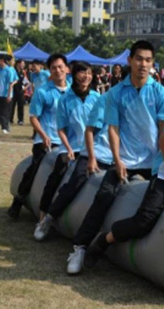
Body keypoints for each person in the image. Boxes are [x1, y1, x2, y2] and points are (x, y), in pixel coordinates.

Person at [66, 40, 164, 275]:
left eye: (148, 60)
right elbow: (113, 129)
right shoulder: (115, 93)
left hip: (153, 162)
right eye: (139, 59)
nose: (143, 64)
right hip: (125, 158)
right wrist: (117, 160)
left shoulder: (161, 94)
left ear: (152, 63)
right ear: (129, 61)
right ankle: (80, 247)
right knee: (104, 196)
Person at [34, 91, 114, 241]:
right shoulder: (104, 100)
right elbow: (89, 131)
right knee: (74, 180)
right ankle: (48, 218)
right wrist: (90, 157)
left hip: (122, 158)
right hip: (96, 151)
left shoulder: (145, 104)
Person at [34, 61, 99, 238]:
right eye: (82, 73)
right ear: (74, 75)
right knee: (58, 175)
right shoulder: (65, 100)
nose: (86, 76)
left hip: (94, 147)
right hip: (72, 146)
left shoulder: (97, 98)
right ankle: (45, 218)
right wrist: (68, 148)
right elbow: (61, 128)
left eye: (89, 73)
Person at [7, 54, 69, 219]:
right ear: (49, 70)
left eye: (60, 67)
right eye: (54, 67)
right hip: (47, 139)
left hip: (69, 142)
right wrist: (43, 135)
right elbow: (33, 117)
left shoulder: (73, 91)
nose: (57, 70)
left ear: (67, 69)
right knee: (35, 168)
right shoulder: (43, 92)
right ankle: (18, 201)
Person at [10, 59, 27, 126]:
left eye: (24, 64)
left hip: (20, 92)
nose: (23, 65)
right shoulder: (13, 71)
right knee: (12, 106)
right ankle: (10, 119)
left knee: (21, 106)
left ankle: (20, 120)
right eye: (22, 64)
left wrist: (25, 86)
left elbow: (26, 82)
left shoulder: (22, 72)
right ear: (18, 64)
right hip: (13, 91)